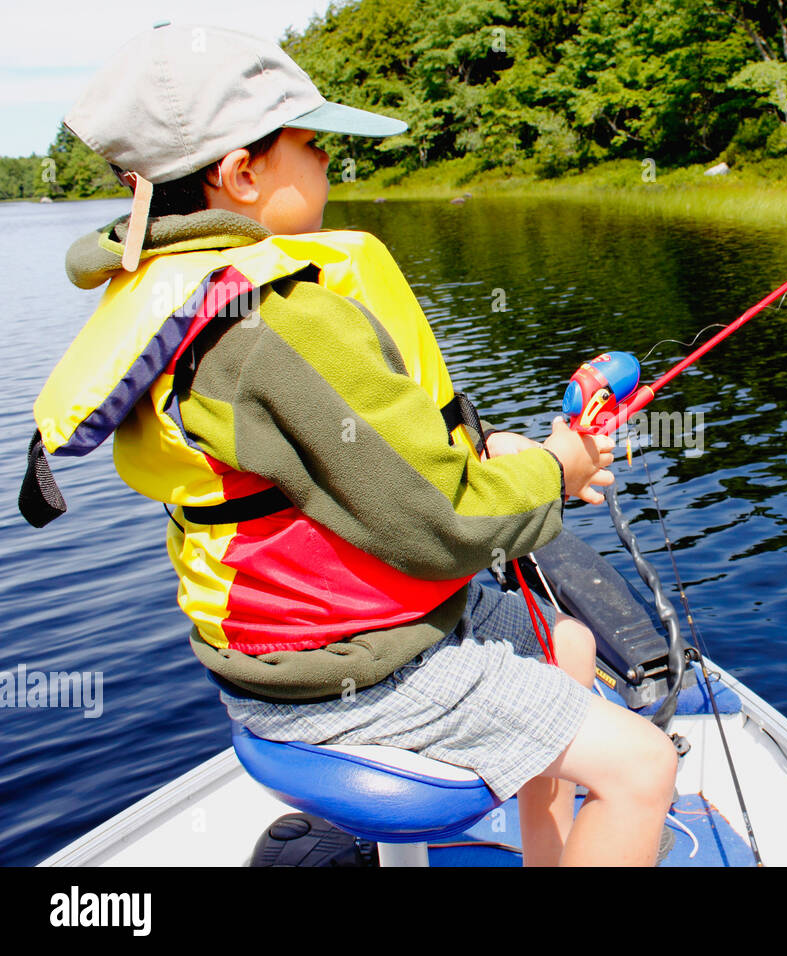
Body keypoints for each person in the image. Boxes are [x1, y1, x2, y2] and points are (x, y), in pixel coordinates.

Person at [26, 21, 677, 866]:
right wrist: (558, 468)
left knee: (575, 646)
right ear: (243, 173)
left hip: (273, 656)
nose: (332, 162)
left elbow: (355, 457)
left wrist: (498, 450)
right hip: (347, 674)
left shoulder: (183, 298)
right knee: (643, 765)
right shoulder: (275, 321)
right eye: (313, 143)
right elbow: (444, 519)